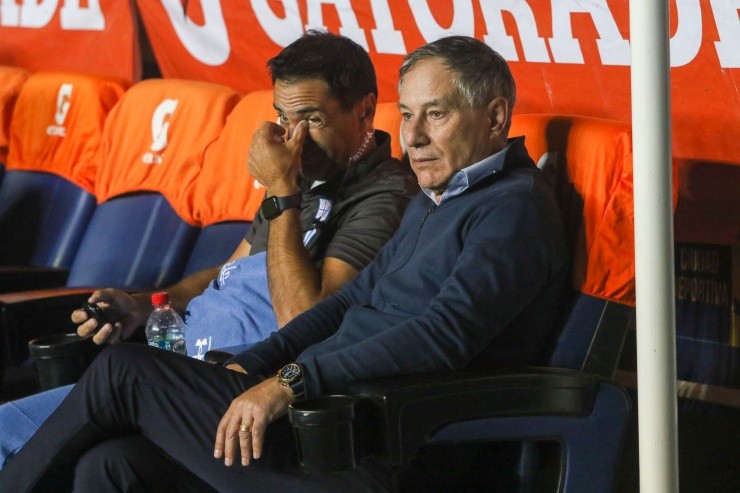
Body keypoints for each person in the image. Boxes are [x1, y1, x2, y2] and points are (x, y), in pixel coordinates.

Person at [0, 35, 570, 492]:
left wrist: (291, 381)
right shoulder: (436, 197)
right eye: (408, 115)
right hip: (317, 418)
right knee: (112, 465)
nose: (414, 137)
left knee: (123, 371)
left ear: (496, 117)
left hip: (369, 445)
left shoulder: (513, 207)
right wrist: (254, 364)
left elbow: (445, 335)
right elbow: (350, 301)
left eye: (436, 115)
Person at [0, 30, 416, 469]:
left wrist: (281, 193)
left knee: (26, 429)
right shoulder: (301, 177)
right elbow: (229, 272)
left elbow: (307, 323)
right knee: (82, 459)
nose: (293, 138)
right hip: (172, 366)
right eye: (282, 117)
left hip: (227, 386)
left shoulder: (382, 196)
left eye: (312, 119)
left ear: (365, 110)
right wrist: (146, 304)